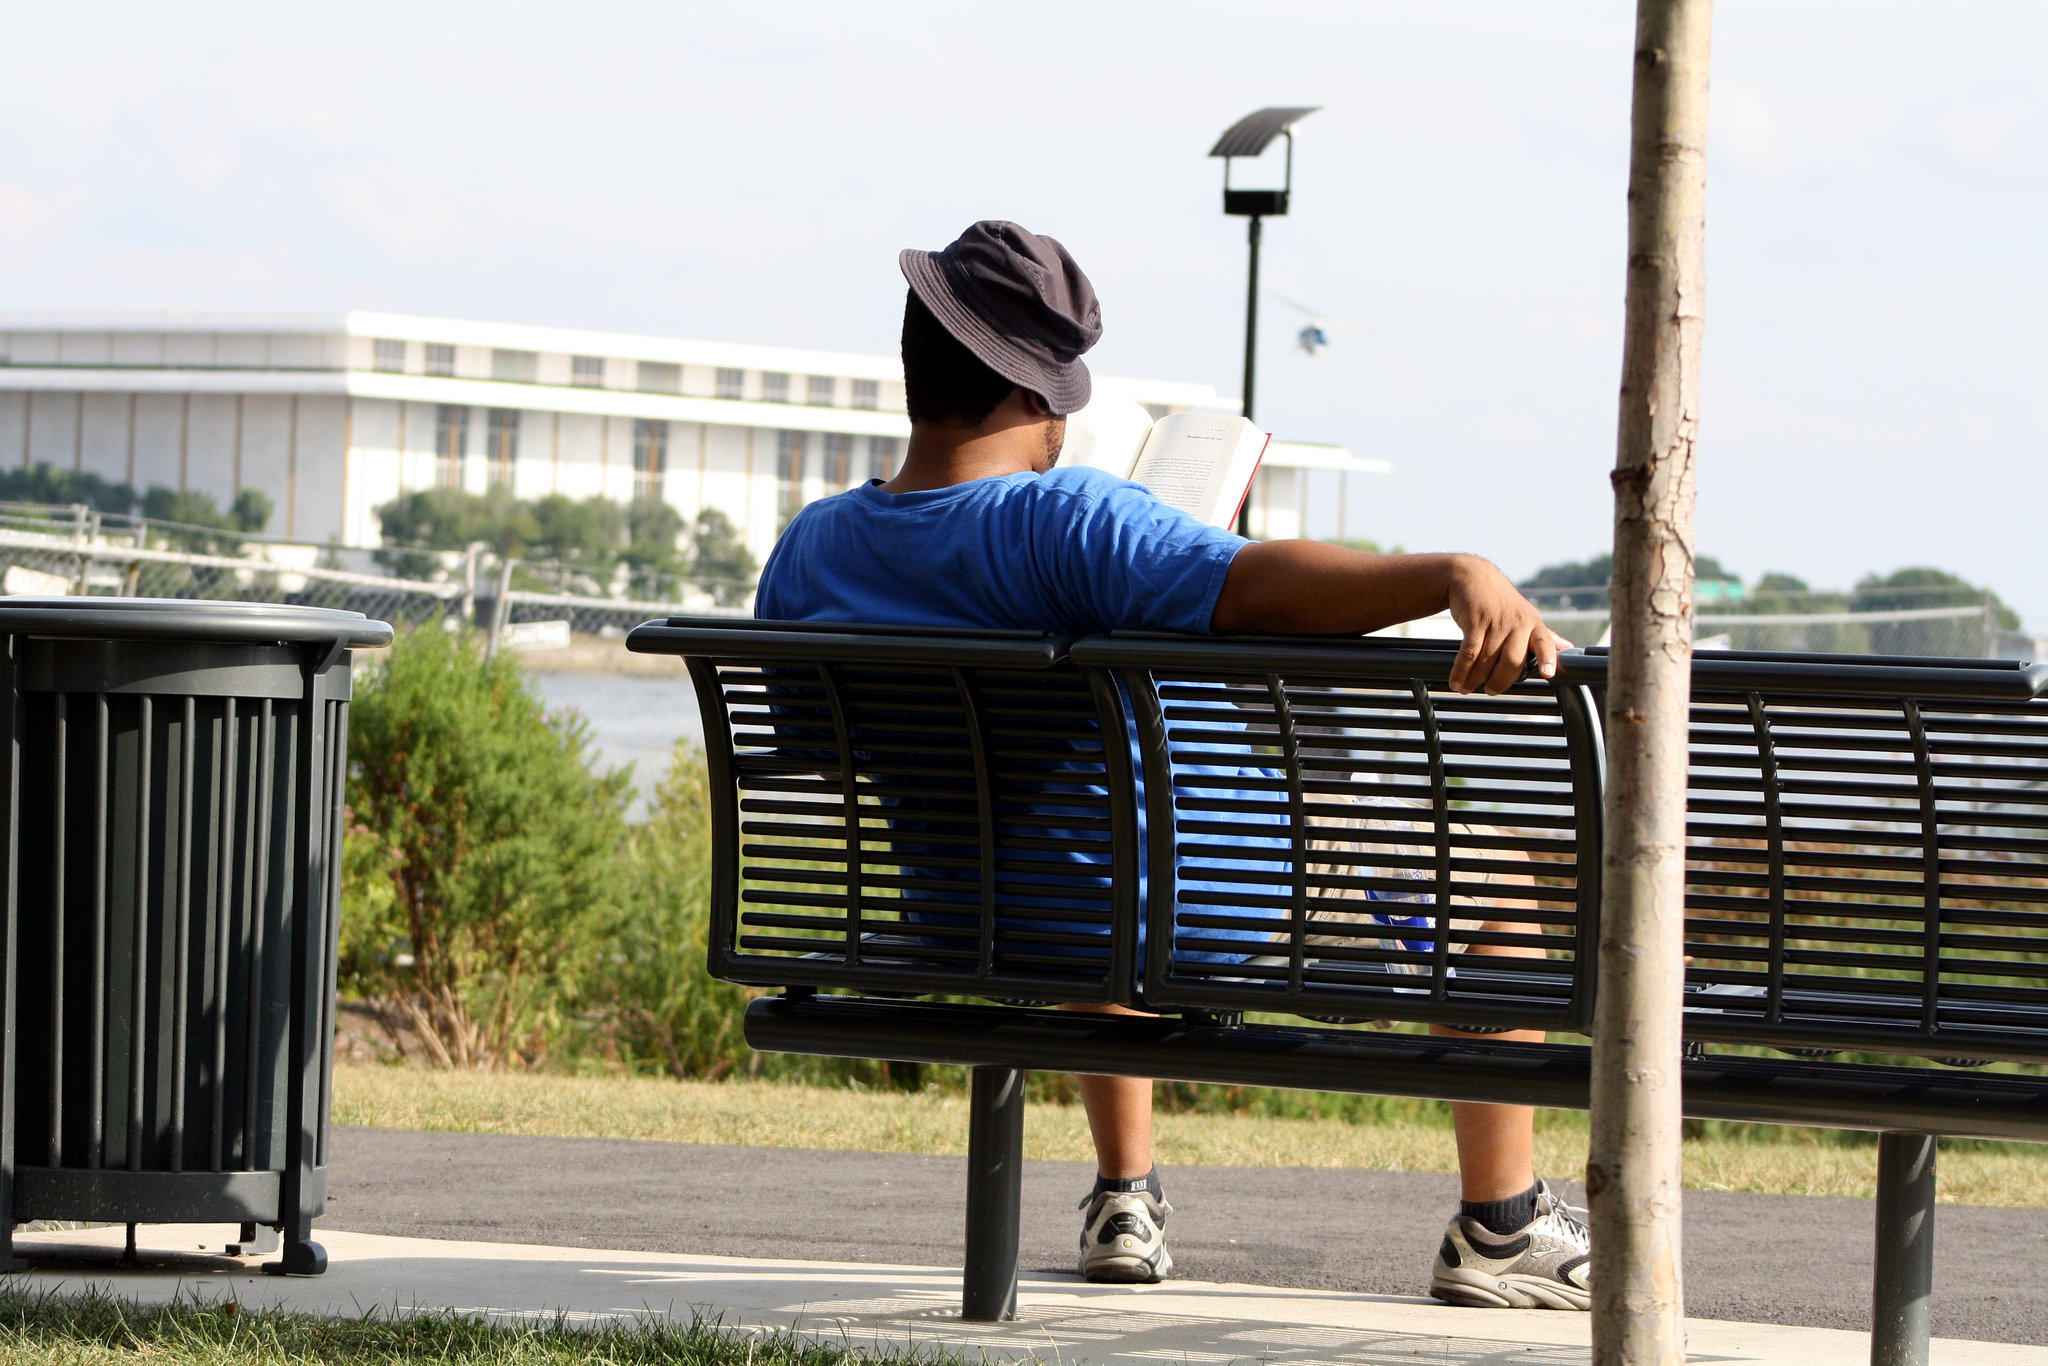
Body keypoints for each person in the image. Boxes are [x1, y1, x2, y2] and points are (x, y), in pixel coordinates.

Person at [756, 220, 1592, 1311]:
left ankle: (1124, 1198)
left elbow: (819, 754)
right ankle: (1500, 1223)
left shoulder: (812, 549)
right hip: (1198, 918)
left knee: (1085, 862)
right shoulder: (1060, 519)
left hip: (980, 919)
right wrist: (1451, 572)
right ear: (1037, 400)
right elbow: (1259, 589)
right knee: (1491, 884)